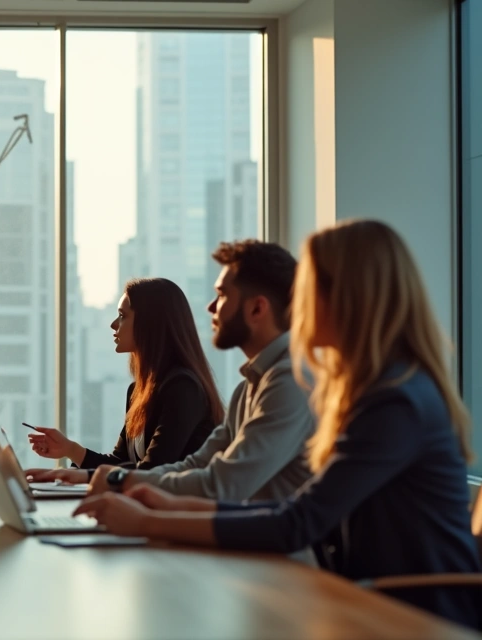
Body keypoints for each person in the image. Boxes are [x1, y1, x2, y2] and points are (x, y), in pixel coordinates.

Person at [75, 220, 480, 628]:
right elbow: (288, 509)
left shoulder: (395, 401)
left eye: (307, 290)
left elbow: (297, 521)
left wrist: (148, 519)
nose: (294, 304)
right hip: (365, 597)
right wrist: (168, 504)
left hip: (415, 616)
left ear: (349, 298)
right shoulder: (369, 389)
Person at [73, 241, 315, 506]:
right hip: (242, 539)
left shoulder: (291, 382)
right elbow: (198, 465)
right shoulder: (247, 388)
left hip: (265, 546)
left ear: (257, 308)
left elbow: (220, 486)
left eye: (222, 295)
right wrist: (111, 478)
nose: (211, 308)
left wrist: (121, 485)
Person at [24, 278, 224, 482]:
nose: (113, 324)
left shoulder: (183, 388)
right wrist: (70, 450)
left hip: (179, 510)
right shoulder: (137, 390)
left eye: (122, 316)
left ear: (150, 324)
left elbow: (152, 471)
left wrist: (78, 475)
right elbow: (122, 463)